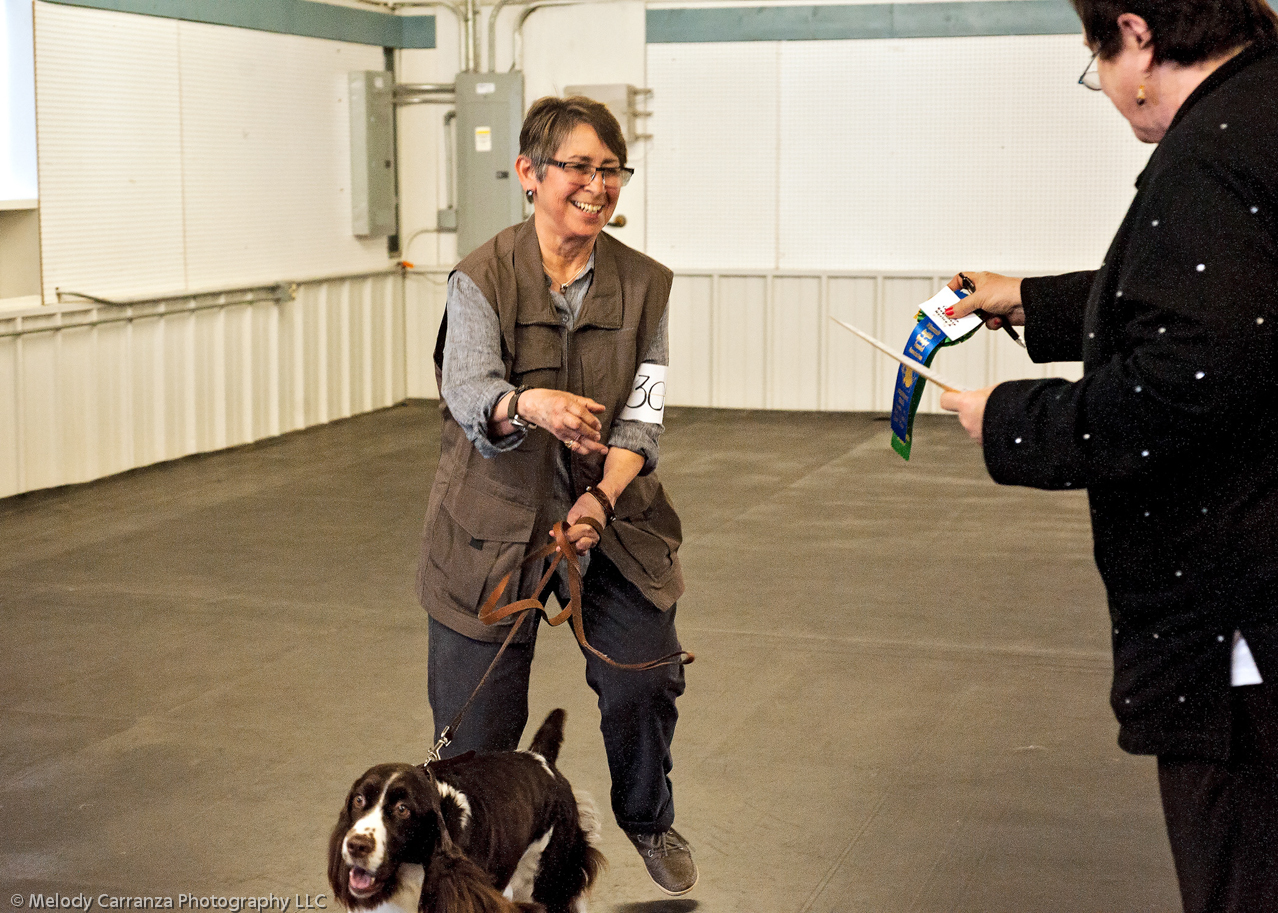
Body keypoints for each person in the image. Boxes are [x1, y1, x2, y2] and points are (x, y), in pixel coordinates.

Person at [938, 2, 1278, 910]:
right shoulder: (1262, 116)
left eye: (1099, 63)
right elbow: (1217, 301)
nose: (1112, 96)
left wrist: (1007, 418)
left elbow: (1188, 377)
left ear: (1135, 36)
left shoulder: (1209, 155)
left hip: (1237, 621)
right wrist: (1032, 301)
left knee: (1241, 868)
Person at [415, 95, 696, 897]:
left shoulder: (646, 285)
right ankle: (459, 871)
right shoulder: (480, 277)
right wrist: (528, 403)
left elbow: (643, 422)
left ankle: (646, 816)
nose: (598, 185)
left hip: (610, 516)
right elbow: (468, 387)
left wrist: (598, 502)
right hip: (489, 525)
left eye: (611, 169)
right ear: (530, 174)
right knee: (475, 736)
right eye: (579, 166)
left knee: (644, 677)